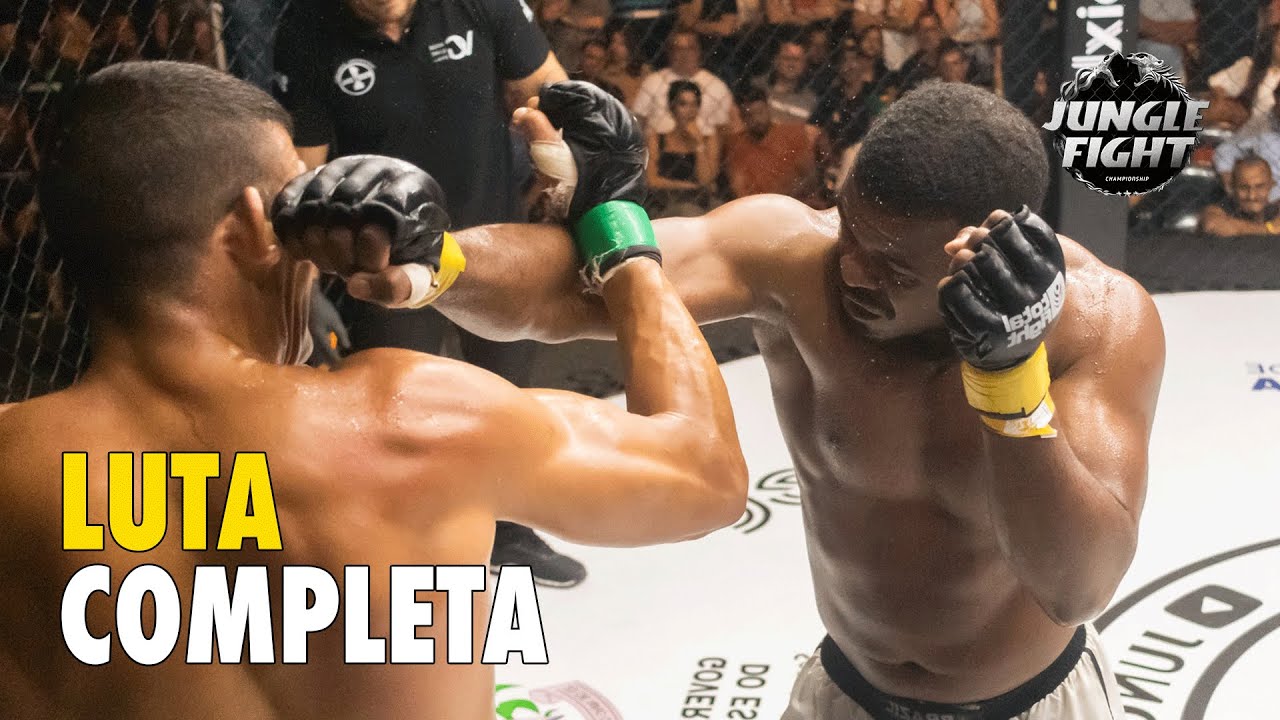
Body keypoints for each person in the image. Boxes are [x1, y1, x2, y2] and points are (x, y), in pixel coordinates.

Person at [355, 80, 1163, 719]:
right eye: (851, 234)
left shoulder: (1096, 320)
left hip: (1033, 704)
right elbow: (570, 295)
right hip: (848, 690)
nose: (854, 272)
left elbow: (1077, 587)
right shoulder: (792, 256)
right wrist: (430, 260)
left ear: (976, 247)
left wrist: (1010, 376)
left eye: (893, 269)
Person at [0, 62, 747, 720]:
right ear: (256, 225)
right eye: (296, 200)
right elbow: (704, 474)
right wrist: (619, 232)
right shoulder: (407, 418)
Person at [272, 0, 584, 585]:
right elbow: (301, 169)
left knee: (504, 396)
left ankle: (506, 528)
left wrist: (560, 168)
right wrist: (300, 283)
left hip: (494, 237)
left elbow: (547, 93)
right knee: (397, 408)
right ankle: (409, 547)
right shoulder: (308, 29)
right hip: (385, 263)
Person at [645, 80, 721, 216]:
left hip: (700, 201)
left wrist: (698, 145)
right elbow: (652, 180)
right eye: (683, 104)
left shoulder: (708, 140)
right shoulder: (657, 139)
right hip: (667, 201)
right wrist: (689, 186)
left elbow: (706, 180)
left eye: (694, 104)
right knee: (688, 210)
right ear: (672, 107)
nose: (690, 111)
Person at [1202, 153, 1280, 236]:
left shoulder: (1275, 210)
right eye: (1244, 187)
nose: (1252, 196)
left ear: (1271, 185)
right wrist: (1268, 229)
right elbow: (1212, 225)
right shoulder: (1218, 210)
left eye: (1259, 187)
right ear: (1232, 187)